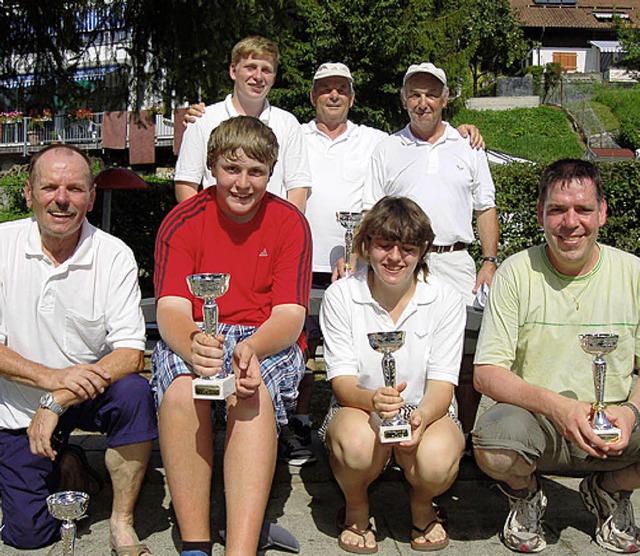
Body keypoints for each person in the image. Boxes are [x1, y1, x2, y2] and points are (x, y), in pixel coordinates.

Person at [153, 116, 312, 556]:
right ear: (211, 168)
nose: (243, 183)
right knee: (184, 394)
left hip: (266, 334)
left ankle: (239, 548)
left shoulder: (289, 222)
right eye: (231, 169)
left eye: (256, 172)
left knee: (249, 389)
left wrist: (251, 348)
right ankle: (195, 542)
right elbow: (170, 308)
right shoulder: (181, 220)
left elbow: (290, 315)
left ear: (271, 173)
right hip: (196, 328)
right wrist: (192, 343)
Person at [472, 159, 640, 553]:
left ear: (602, 212)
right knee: (492, 444)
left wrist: (631, 413)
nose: (570, 222)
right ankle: (525, 493)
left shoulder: (634, 273)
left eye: (583, 209)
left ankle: (610, 488)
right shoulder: (515, 272)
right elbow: (487, 372)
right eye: (558, 210)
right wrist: (559, 408)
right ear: (541, 214)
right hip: (538, 423)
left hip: (614, 424)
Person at [0, 144, 157, 554]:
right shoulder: (1, 246)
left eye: (74, 188)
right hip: (16, 405)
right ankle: (72, 467)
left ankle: (123, 521)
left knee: (134, 393)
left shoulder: (113, 255)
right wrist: (49, 379)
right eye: (49, 186)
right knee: (29, 536)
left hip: (83, 394)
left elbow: (130, 355)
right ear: (29, 193)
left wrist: (56, 399)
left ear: (90, 197)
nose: (61, 199)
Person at [319, 196, 466, 553]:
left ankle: (422, 503)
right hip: (357, 408)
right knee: (355, 445)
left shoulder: (446, 298)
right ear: (367, 245)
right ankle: (356, 506)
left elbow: (443, 383)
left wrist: (422, 417)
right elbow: (341, 383)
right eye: (385, 245)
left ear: (423, 251)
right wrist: (373, 400)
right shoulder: (341, 295)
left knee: (436, 459)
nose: (395, 258)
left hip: (428, 409)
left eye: (408, 248)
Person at [362, 62, 499, 434]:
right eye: (415, 94)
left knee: (466, 357)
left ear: (445, 98)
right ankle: (401, 430)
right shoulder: (387, 148)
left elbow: (485, 206)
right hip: (402, 263)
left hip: (456, 263)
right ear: (404, 100)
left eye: (431, 94)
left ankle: (464, 436)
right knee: (406, 351)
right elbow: (371, 213)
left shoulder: (468, 145)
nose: (424, 102)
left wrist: (489, 261)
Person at [175, 35, 311, 211]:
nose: (258, 76)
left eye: (266, 70)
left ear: (274, 77)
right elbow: (186, 184)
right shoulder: (202, 120)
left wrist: (285, 230)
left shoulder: (288, 123)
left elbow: (298, 188)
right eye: (250, 67)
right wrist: (204, 229)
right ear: (233, 71)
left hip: (270, 232)